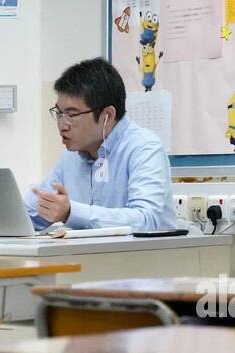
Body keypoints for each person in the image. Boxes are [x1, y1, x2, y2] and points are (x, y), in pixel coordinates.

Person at [25, 57, 174, 232]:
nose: (62, 124)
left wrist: (71, 212)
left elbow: (145, 220)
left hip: (140, 258)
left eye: (71, 115)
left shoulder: (144, 148)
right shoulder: (71, 156)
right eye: (59, 113)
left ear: (107, 116)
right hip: (88, 258)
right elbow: (33, 214)